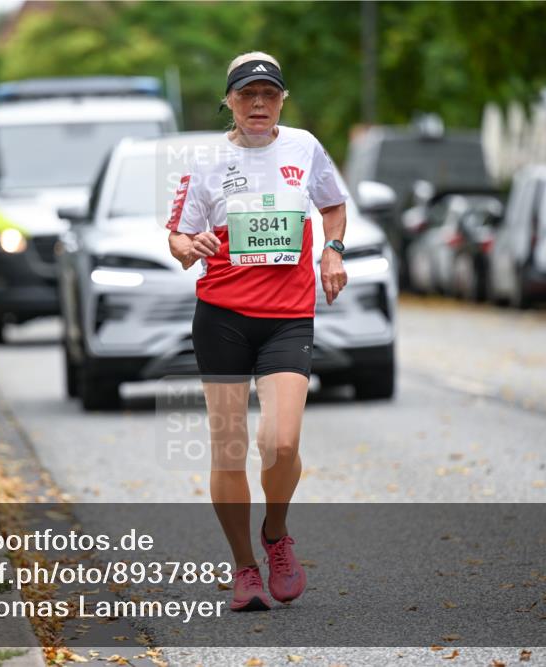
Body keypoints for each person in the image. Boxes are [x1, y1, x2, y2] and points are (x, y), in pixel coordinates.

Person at [166, 52, 350, 612]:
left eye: (269, 94)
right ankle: (244, 566)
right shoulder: (206, 161)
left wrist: (332, 251)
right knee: (229, 450)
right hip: (221, 316)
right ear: (230, 101)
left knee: (281, 442)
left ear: (282, 101)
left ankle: (276, 534)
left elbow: (334, 206)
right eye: (247, 95)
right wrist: (186, 246)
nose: (259, 104)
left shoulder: (305, 147)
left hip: (287, 317)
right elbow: (177, 236)